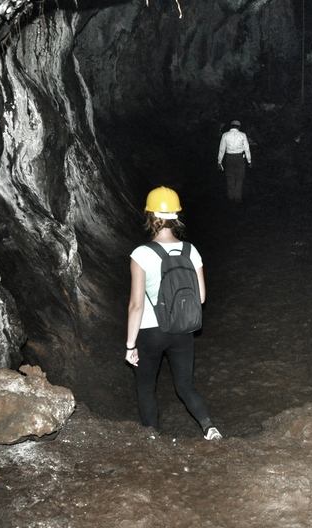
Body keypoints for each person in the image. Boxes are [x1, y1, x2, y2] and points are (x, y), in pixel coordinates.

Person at [125, 186, 222, 440]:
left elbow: (136, 305)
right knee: (185, 386)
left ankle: (152, 438)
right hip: (182, 329)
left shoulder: (141, 254)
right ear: (176, 216)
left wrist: (130, 344)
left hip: (150, 331)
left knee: (146, 387)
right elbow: (200, 297)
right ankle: (209, 427)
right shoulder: (191, 251)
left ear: (150, 216)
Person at [217, 120, 252, 202]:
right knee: (239, 177)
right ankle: (238, 197)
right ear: (239, 127)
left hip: (229, 158)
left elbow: (222, 149)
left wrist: (219, 162)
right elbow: (247, 149)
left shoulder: (225, 135)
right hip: (240, 158)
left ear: (231, 126)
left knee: (230, 177)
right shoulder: (242, 135)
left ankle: (230, 197)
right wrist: (249, 161)